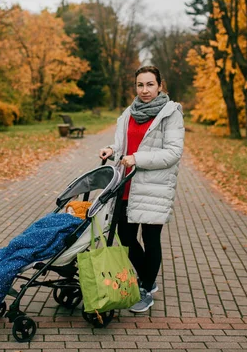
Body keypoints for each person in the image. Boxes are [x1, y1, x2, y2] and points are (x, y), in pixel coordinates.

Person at [98, 65, 185, 313]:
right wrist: (112, 150)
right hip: (126, 184)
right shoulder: (129, 112)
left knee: (150, 238)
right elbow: (121, 142)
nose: (144, 90)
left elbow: (172, 153)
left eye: (149, 84)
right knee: (125, 236)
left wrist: (137, 158)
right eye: (140, 85)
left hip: (152, 186)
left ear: (160, 85)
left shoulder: (171, 113)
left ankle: (146, 288)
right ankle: (148, 278)